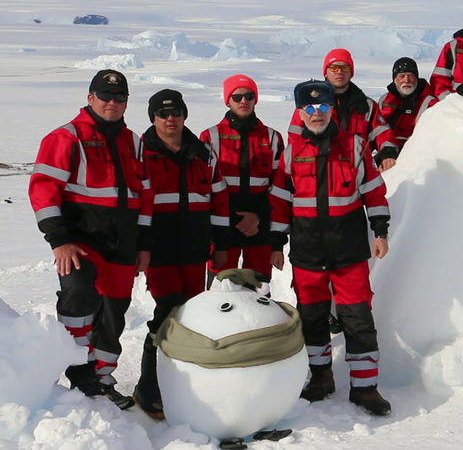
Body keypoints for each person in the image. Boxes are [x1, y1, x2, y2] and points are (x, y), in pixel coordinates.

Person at [269, 79, 392, 416]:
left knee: (357, 319)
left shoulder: (354, 146)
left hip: (348, 251)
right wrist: (277, 243)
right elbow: (280, 203)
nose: (316, 113)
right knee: (313, 319)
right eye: (308, 107)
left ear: (332, 108)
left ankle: (365, 388)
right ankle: (321, 378)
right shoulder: (291, 153)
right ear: (299, 112)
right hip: (308, 252)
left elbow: (374, 192)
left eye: (322, 105)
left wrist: (380, 231)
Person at [28, 69, 149, 409]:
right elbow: (42, 189)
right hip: (81, 242)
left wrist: (145, 244)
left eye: (119, 97)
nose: (112, 103)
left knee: (113, 315)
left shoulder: (134, 142)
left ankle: (103, 380)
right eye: (105, 96)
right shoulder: (67, 137)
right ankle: (75, 372)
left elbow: (145, 195)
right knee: (79, 297)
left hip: (122, 245)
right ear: (90, 97)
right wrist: (58, 240)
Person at [133, 89, 231, 418]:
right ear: (153, 119)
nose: (169, 118)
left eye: (175, 112)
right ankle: (149, 390)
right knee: (167, 313)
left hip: (194, 249)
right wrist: (140, 246)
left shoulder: (202, 153)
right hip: (159, 250)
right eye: (162, 114)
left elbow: (219, 201)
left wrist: (221, 246)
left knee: (190, 317)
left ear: (184, 115)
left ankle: (185, 386)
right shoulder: (142, 152)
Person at [200, 75, 283, 286]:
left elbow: (280, 188)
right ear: (228, 100)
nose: (243, 101)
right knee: (221, 293)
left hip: (260, 227)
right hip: (223, 230)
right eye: (237, 96)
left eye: (248, 95)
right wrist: (237, 219)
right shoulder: (210, 137)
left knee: (258, 292)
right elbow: (205, 187)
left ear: (256, 99)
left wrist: (257, 217)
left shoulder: (272, 138)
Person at [289, 49, 398, 172]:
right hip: (316, 173)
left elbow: (382, 133)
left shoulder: (366, 106)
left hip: (356, 174)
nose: (339, 72)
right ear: (325, 72)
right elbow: (295, 140)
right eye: (334, 68)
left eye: (345, 68)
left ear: (351, 73)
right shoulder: (309, 104)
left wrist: (388, 155)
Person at [377, 57, 438, 151]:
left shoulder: (430, 103)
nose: (406, 80)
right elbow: (376, 130)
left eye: (411, 76)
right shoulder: (385, 100)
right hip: (388, 151)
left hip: (417, 152)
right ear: (394, 79)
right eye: (401, 76)